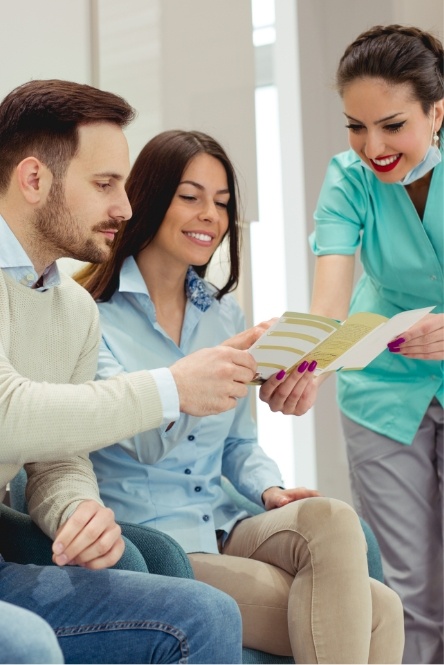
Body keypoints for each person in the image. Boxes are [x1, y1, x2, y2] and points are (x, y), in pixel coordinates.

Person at [76, 129, 405, 664]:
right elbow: (141, 443)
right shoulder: (91, 315)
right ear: (150, 198)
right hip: (156, 542)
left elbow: (238, 445)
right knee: (380, 612)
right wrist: (201, 374)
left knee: (334, 519)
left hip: (226, 520)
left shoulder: (223, 314)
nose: (210, 214)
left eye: (223, 202)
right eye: (191, 196)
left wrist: (269, 489)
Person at [0, 78, 252, 664]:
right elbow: (7, 414)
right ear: (34, 179)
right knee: (29, 644)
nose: (126, 207)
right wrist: (173, 388)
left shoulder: (73, 309)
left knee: (206, 612)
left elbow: (57, 457)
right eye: (106, 184)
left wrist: (76, 510)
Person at [260, 24, 444, 665]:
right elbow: (330, 305)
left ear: (436, 110)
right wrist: (307, 368)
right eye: (356, 127)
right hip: (385, 388)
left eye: (392, 125)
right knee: (410, 589)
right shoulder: (348, 179)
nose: (374, 147)